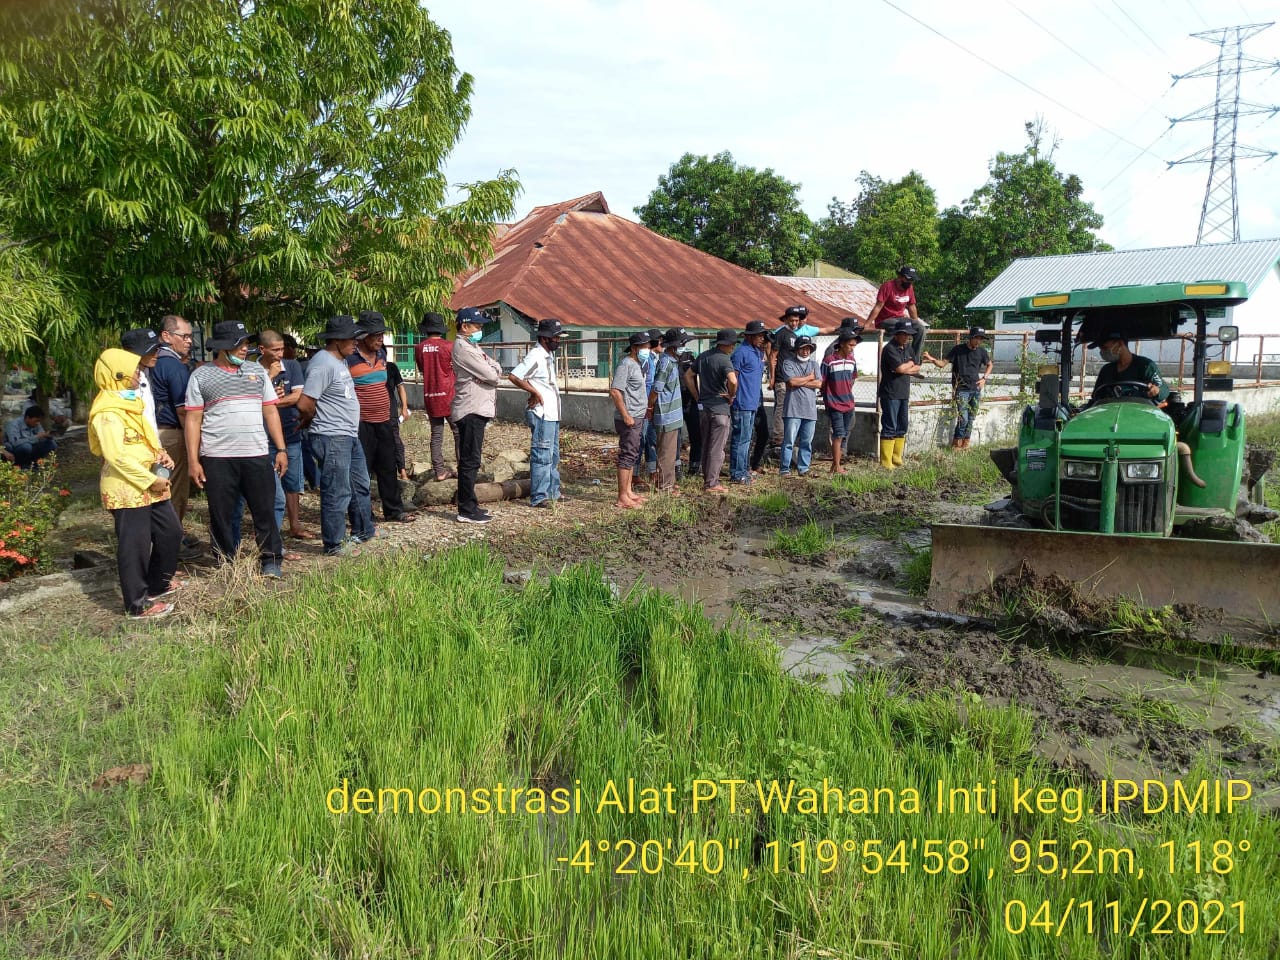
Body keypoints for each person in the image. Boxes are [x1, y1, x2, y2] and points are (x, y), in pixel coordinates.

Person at [185, 321, 287, 578]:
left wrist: (281, 449)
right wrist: (193, 461)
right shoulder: (201, 376)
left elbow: (270, 411)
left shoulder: (257, 371)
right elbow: (193, 419)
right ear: (222, 347)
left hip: (256, 454)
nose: (245, 348)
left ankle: (271, 559)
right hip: (217, 457)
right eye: (239, 344)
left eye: (246, 343)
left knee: (264, 510)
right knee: (221, 513)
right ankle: (225, 559)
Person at [87, 347, 182, 619]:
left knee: (171, 532)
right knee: (135, 546)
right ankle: (137, 604)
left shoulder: (131, 405)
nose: (139, 374)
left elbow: (145, 439)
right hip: (127, 488)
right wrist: (150, 480)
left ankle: (157, 584)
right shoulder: (108, 413)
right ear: (117, 375)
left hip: (151, 483)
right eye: (134, 370)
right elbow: (115, 455)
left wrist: (160, 454)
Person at [297, 315, 376, 555]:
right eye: (352, 339)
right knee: (336, 490)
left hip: (347, 434)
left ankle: (363, 530)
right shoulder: (323, 364)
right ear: (337, 340)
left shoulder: (339, 361)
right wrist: (312, 419)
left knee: (359, 484)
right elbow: (305, 403)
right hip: (331, 435)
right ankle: (333, 543)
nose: (356, 343)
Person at [347, 312, 416, 523]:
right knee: (362, 470)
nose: (380, 339)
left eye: (382, 335)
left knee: (387, 466)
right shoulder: (349, 359)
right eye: (376, 335)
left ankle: (393, 510)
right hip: (361, 424)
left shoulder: (382, 355)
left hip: (384, 420)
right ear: (363, 336)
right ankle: (362, 514)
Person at [150, 314, 200, 556]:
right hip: (171, 434)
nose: (189, 341)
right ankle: (170, 544)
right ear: (166, 336)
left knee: (158, 486)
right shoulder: (173, 366)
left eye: (190, 336)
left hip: (153, 433)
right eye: (185, 336)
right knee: (173, 490)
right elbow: (183, 410)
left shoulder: (150, 362)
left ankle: (167, 537)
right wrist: (193, 446)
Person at [450, 306, 503, 524]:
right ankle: (466, 509)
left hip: (477, 408)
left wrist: (490, 372)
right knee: (469, 461)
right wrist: (490, 373)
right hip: (470, 409)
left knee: (472, 459)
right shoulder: (463, 348)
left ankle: (470, 505)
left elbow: (495, 367)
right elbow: (492, 375)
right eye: (477, 326)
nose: (480, 330)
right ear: (465, 327)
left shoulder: (473, 345)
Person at [257, 329, 312, 538]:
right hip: (263, 437)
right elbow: (252, 399)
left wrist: (270, 402)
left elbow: (298, 396)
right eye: (275, 350)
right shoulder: (252, 370)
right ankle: (272, 532)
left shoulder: (292, 366)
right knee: (270, 487)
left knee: (293, 483)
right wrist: (269, 380)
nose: (280, 354)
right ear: (262, 349)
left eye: (282, 349)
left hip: (290, 432)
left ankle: (295, 524)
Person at [509, 318, 565, 508]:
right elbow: (515, 376)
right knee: (542, 455)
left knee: (553, 456)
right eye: (555, 338)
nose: (558, 341)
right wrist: (534, 392)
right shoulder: (536, 356)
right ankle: (539, 496)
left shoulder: (548, 356)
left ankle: (553, 492)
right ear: (544, 338)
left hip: (552, 414)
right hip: (542, 414)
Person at [923, 326, 993, 449]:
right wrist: (931, 358)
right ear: (971, 337)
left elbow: (990, 365)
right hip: (961, 390)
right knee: (963, 419)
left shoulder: (982, 351)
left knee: (971, 418)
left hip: (976, 389)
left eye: (981, 339)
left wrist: (984, 378)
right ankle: (956, 444)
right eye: (977, 338)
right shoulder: (958, 350)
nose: (979, 341)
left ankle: (965, 445)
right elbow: (942, 364)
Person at [610, 331, 651, 509]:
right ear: (634, 348)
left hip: (638, 416)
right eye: (645, 347)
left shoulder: (638, 364)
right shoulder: (625, 364)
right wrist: (626, 415)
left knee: (633, 454)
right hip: (630, 418)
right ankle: (622, 497)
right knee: (627, 455)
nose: (647, 350)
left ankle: (628, 492)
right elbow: (615, 391)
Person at [415, 312, 457, 482]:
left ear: (426, 329)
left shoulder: (419, 348)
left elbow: (422, 369)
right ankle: (463, 467)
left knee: (436, 434)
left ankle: (439, 470)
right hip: (450, 394)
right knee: (458, 432)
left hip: (431, 395)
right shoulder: (449, 346)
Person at [695, 329, 738, 493]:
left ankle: (707, 477)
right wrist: (731, 395)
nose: (733, 347)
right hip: (720, 408)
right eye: (732, 344)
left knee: (706, 444)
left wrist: (697, 395)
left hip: (705, 407)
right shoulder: (724, 360)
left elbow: (688, 375)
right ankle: (712, 483)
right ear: (726, 345)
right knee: (717, 448)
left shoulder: (703, 357)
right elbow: (733, 380)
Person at [878, 319, 921, 469]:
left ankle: (896, 458)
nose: (907, 337)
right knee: (890, 425)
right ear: (897, 334)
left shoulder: (908, 347)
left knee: (902, 425)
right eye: (905, 334)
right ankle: (886, 462)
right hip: (890, 392)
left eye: (909, 335)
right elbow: (901, 369)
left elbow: (917, 366)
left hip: (903, 392)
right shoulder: (890, 348)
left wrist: (906, 368)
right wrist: (908, 366)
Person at [729, 320, 768, 484]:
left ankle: (744, 470)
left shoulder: (757, 352)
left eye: (763, 336)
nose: (762, 339)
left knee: (747, 439)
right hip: (742, 402)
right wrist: (732, 396)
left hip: (753, 403)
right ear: (749, 336)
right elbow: (733, 377)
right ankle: (737, 473)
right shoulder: (741, 353)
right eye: (759, 336)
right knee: (741, 439)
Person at [652, 327, 689, 493]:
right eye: (682, 344)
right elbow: (656, 389)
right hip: (666, 415)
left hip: (673, 415)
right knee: (666, 452)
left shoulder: (672, 362)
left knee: (671, 451)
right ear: (674, 346)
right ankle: (664, 486)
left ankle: (669, 482)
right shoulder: (666, 363)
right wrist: (649, 408)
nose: (684, 348)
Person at [866, 265, 928, 363]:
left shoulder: (910, 288)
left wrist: (915, 324)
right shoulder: (887, 286)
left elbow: (912, 307)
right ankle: (896, 357)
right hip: (885, 320)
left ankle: (914, 360)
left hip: (900, 319)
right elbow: (878, 306)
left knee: (921, 329)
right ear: (900, 277)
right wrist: (867, 324)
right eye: (908, 279)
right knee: (902, 326)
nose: (910, 282)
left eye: (912, 280)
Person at [821, 327, 861, 473]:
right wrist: (828, 399)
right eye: (850, 345)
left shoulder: (852, 361)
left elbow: (852, 379)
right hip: (834, 404)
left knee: (844, 433)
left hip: (848, 403)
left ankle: (835, 465)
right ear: (842, 344)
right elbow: (822, 382)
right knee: (838, 434)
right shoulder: (829, 361)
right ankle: (837, 465)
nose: (852, 348)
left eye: (854, 345)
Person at [779, 336, 821, 477]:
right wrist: (809, 378)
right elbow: (791, 382)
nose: (806, 351)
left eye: (808, 348)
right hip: (793, 409)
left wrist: (800, 381)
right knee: (789, 441)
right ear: (797, 349)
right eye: (803, 348)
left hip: (810, 410)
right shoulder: (788, 362)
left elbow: (819, 383)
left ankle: (803, 468)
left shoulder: (814, 364)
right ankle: (784, 469)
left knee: (806, 441)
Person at [1089, 333, 1170, 404]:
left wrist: (1157, 390)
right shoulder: (1106, 370)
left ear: (1119, 344)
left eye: (1104, 348)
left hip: (1139, 411)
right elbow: (1096, 396)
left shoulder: (1145, 366)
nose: (1102, 352)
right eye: (1100, 349)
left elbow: (1163, 390)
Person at [770, 305, 807, 445]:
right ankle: (778, 437)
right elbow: (773, 356)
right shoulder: (781, 334)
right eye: (791, 320)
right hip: (781, 377)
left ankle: (786, 435)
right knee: (781, 406)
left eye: (797, 320)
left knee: (790, 408)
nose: (794, 323)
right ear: (786, 320)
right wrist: (772, 378)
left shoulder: (794, 335)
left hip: (792, 378)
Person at [121, 328, 162, 433]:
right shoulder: (125, 381)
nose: (156, 354)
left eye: (157, 349)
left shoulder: (148, 373)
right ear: (133, 353)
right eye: (151, 350)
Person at [637, 327, 662, 489]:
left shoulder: (656, 359)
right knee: (641, 439)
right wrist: (647, 406)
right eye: (660, 341)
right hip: (644, 405)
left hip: (651, 405)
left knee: (651, 439)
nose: (662, 344)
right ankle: (634, 475)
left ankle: (653, 472)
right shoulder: (645, 361)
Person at [384, 341, 410, 481]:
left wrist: (404, 408)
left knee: (395, 441)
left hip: (390, 411)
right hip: (371, 413)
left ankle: (402, 471)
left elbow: (401, 387)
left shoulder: (391, 367)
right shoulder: (367, 369)